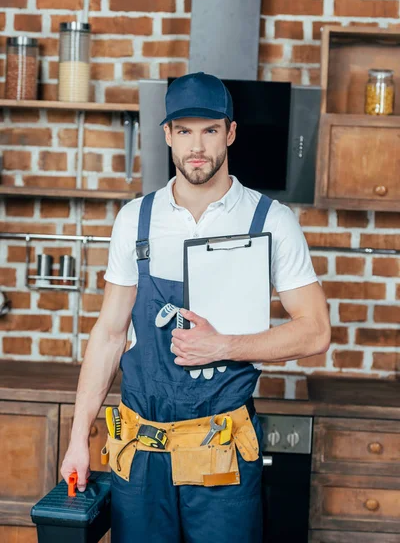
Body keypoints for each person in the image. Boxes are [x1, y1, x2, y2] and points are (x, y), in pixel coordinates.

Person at [61, 72, 330, 542]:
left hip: (220, 452)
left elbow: (315, 331)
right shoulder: (136, 219)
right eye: (184, 131)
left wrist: (222, 345)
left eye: (209, 129)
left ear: (230, 132)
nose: (196, 146)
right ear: (167, 136)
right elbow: (109, 333)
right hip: (141, 454)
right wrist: (78, 437)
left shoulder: (270, 221)